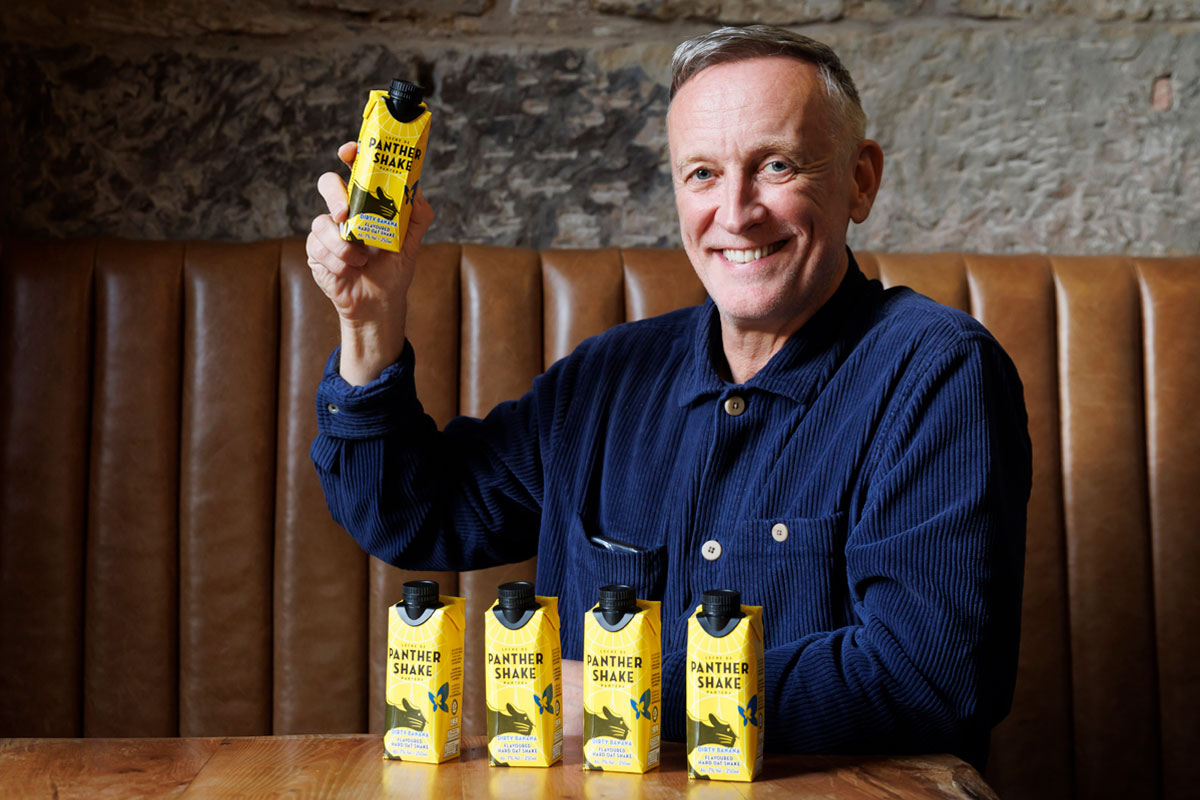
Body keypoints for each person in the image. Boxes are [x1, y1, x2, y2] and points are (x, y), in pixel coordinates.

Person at [305, 25, 1031, 769]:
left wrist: (623, 695)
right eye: (703, 174)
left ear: (860, 181)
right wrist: (370, 322)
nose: (738, 211)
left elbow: (933, 674)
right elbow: (413, 514)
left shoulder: (938, 372)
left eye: (776, 166)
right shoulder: (606, 377)